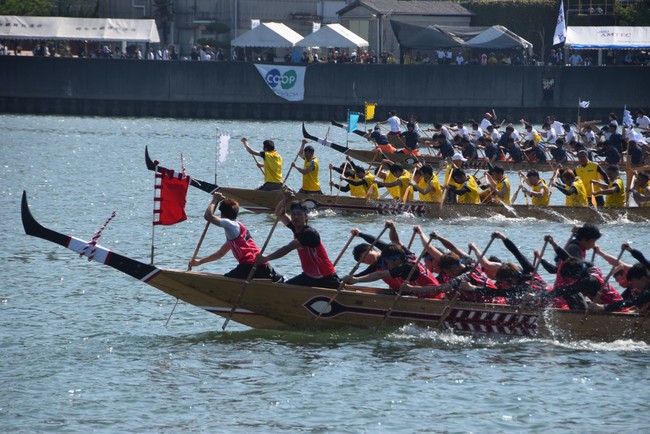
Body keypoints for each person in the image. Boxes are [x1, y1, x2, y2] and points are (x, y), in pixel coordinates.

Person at [189, 192, 283, 282]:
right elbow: (220, 253)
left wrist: (214, 200)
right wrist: (200, 262)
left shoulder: (230, 224)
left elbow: (208, 216)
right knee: (281, 280)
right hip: (262, 266)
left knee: (226, 281)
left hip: (250, 266)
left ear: (222, 214)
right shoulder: (236, 230)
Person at [255, 190, 340, 288]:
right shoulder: (295, 228)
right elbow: (279, 213)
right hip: (309, 276)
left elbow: (288, 248)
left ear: (306, 217)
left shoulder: (309, 233)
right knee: (283, 288)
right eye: (293, 214)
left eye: (299, 214)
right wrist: (285, 200)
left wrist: (266, 258)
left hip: (326, 278)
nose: (296, 217)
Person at [543, 235, 624, 310]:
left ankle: (576, 316)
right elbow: (566, 257)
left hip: (614, 309)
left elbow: (563, 290)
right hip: (610, 305)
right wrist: (552, 243)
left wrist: (541, 298)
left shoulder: (588, 281)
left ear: (576, 275)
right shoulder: (586, 267)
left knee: (567, 292)